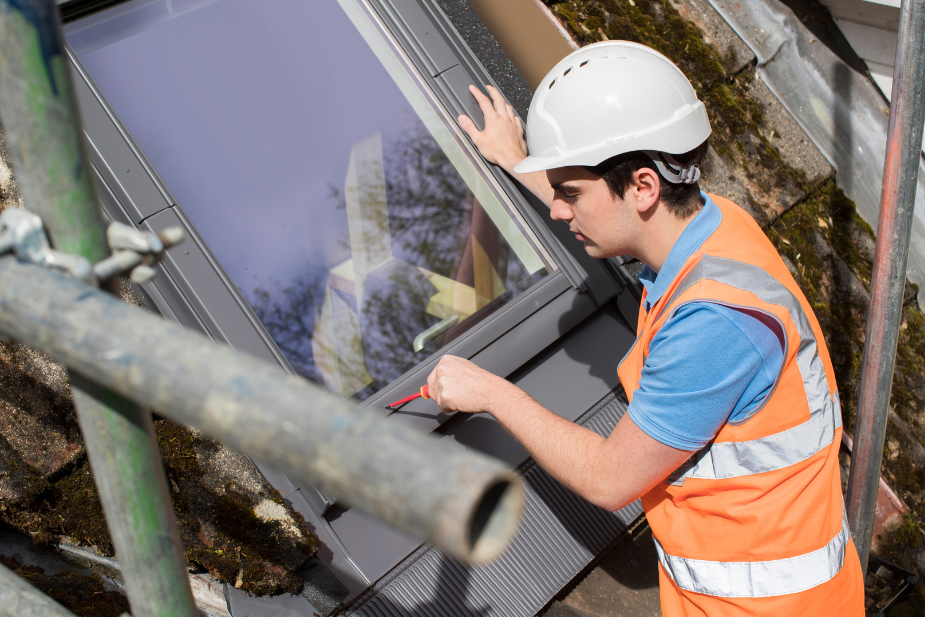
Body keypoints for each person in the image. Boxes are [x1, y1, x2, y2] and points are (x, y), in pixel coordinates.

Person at [426, 41, 864, 616]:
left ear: (644, 186)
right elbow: (615, 215)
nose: (558, 210)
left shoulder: (714, 325)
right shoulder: (715, 226)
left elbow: (609, 480)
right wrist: (518, 160)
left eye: (569, 194)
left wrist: (489, 392)